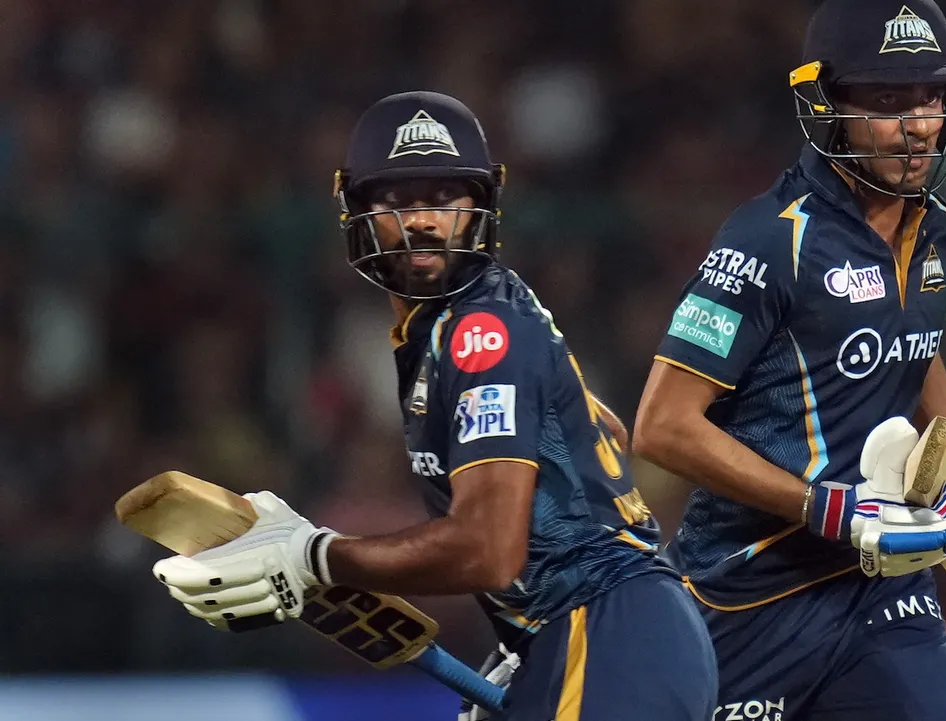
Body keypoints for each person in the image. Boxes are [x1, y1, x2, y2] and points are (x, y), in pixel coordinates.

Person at [150, 91, 717, 721]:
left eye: (444, 198)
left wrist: (315, 557)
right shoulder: (456, 327)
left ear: (481, 208)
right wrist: (524, 646)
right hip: (590, 636)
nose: (422, 221)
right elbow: (594, 440)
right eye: (397, 201)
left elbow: (487, 548)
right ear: (355, 210)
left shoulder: (482, 331)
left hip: (607, 633)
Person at [632, 1, 946, 719]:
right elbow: (662, 426)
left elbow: (914, 348)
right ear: (827, 104)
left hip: (881, 591)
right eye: (888, 100)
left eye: (932, 97)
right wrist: (829, 508)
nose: (918, 123)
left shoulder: (936, 233)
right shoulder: (770, 238)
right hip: (750, 590)